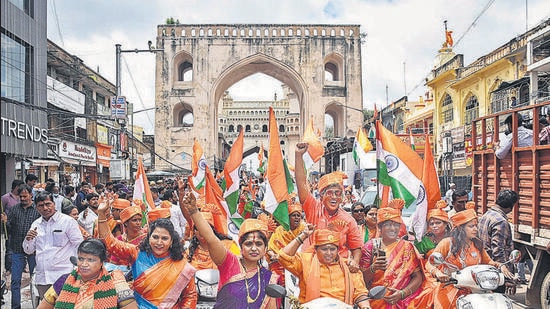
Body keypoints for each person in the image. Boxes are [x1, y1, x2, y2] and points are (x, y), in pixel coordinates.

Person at [179, 187, 278, 309]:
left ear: (265, 248)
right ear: (241, 247)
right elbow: (211, 238)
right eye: (248, 244)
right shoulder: (229, 262)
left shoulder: (268, 277)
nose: (254, 248)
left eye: (258, 244)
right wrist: (194, 212)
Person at [97, 195, 197, 308]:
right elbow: (111, 244)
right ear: (148, 237)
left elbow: (190, 296)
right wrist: (101, 214)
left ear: (171, 241)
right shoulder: (136, 253)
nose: (159, 242)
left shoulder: (182, 264)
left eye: (164, 238)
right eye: (155, 237)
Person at [295, 142, 363, 272]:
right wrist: (298, 156)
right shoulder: (313, 208)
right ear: (321, 196)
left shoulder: (349, 220)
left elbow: (356, 247)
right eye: (330, 193)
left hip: (339, 269)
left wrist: (355, 262)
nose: (334, 197)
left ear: (342, 197)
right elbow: (301, 184)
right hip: (311, 267)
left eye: (338, 193)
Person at [425, 209, 514, 308]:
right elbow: (429, 263)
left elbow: (488, 262)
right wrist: (438, 273)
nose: (476, 229)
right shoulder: (447, 243)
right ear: (460, 229)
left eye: (476, 225)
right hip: (450, 290)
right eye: (471, 226)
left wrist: (501, 266)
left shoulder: (477, 244)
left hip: (476, 290)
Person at [278, 227, 372, 309]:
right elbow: (283, 257)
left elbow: (360, 293)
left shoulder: (349, 266)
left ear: (337, 250)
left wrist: (365, 306)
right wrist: (303, 235)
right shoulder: (305, 261)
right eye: (324, 249)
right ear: (315, 249)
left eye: (332, 249)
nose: (329, 253)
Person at [36, 238, 137, 309]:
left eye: (91, 260)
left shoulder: (115, 281)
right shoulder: (65, 280)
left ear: (102, 263)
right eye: (81, 259)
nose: (84, 264)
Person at [359, 200, 423, 308]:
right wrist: (373, 268)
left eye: (396, 225)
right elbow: (360, 281)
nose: (393, 229)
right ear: (380, 227)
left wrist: (402, 293)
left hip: (403, 301)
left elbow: (417, 276)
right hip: (376, 301)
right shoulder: (370, 247)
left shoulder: (407, 246)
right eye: (388, 225)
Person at [23, 191, 84, 300]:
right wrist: (28, 239)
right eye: (41, 206)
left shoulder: (67, 222)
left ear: (54, 204)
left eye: (48, 204)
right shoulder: (36, 224)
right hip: (43, 278)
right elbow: (28, 250)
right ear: (36, 207)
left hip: (63, 276)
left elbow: (79, 246)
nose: (45, 208)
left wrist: (78, 270)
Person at [1, 184, 40, 309]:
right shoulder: (14, 209)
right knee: (15, 281)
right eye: (20, 197)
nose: (22, 199)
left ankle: (38, 305)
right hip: (17, 248)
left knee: (36, 280)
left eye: (25, 196)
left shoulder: (37, 210)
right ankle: (15, 307)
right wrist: (5, 222)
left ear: (31, 196)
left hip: (34, 250)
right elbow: (9, 229)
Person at [478, 189, 519, 294]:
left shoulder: (486, 215)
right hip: (495, 272)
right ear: (511, 206)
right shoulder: (501, 221)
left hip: (483, 266)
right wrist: (507, 277)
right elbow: (498, 250)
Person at [266, 202, 306, 288]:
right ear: (288, 217)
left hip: (297, 266)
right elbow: (270, 249)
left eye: (298, 216)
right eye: (293, 215)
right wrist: (274, 255)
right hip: (279, 265)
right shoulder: (280, 230)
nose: (296, 218)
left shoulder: (304, 230)